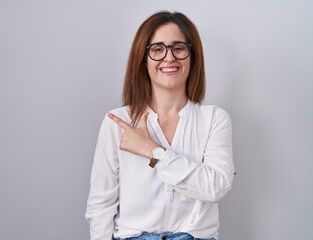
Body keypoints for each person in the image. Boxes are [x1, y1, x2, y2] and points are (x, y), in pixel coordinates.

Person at [85, 11, 235, 240]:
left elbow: (215, 187)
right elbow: (101, 205)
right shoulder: (117, 122)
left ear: (192, 56)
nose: (169, 57)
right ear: (142, 59)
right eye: (157, 49)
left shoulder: (214, 119)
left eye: (179, 48)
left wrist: (151, 151)